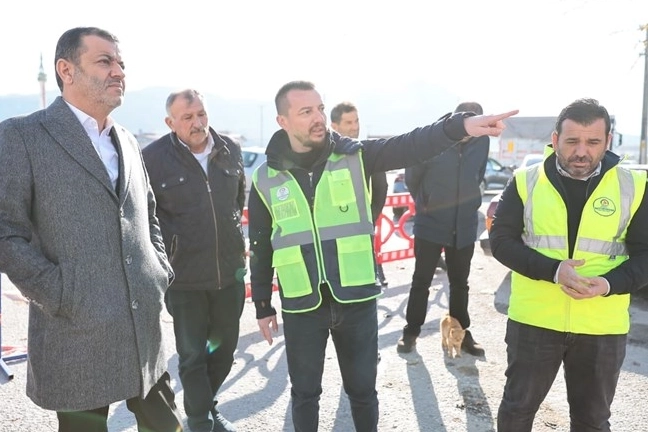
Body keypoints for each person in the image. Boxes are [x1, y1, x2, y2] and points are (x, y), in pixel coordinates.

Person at [248, 80, 516, 431]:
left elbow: (412, 145)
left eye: (320, 109)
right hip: (302, 303)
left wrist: (460, 126)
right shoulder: (265, 177)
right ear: (283, 121)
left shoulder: (356, 156)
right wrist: (263, 304)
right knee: (304, 395)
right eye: (306, 112)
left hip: (356, 297)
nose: (318, 118)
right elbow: (260, 243)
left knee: (362, 393)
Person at [0, 27, 183, 432]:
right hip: (76, 329)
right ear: (66, 70)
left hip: (141, 327)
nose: (119, 71)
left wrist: (158, 270)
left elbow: (148, 212)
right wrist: (58, 292)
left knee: (166, 425)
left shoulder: (127, 140)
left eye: (121, 63)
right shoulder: (22, 135)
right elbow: (5, 231)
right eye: (105, 61)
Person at [489, 98, 648, 432]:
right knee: (517, 413)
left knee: (592, 422)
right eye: (572, 141)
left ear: (608, 141)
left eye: (593, 142)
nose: (582, 152)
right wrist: (554, 271)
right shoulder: (525, 181)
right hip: (534, 320)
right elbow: (501, 241)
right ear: (555, 139)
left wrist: (609, 284)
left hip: (601, 326)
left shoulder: (635, 187)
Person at [142, 89, 246, 432]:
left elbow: (237, 202)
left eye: (201, 114)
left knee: (224, 351)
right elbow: (145, 216)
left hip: (230, 272)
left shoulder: (230, 149)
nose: (197, 122)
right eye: (187, 117)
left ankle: (207, 406)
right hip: (183, 277)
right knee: (192, 355)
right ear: (170, 122)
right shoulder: (152, 159)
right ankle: (201, 422)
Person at [396, 102, 489, 356]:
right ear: (458, 120)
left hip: (465, 224)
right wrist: (428, 204)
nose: (473, 131)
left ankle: (461, 333)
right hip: (431, 223)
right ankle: (411, 331)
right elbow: (413, 178)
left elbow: (478, 174)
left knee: (460, 283)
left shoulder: (482, 141)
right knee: (421, 281)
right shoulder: (432, 138)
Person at [329, 101, 389, 287]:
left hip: (361, 231)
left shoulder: (366, 153)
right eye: (348, 122)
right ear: (334, 126)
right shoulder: (323, 156)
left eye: (356, 121)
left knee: (364, 285)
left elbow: (381, 188)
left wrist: (369, 218)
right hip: (330, 233)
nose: (355, 127)